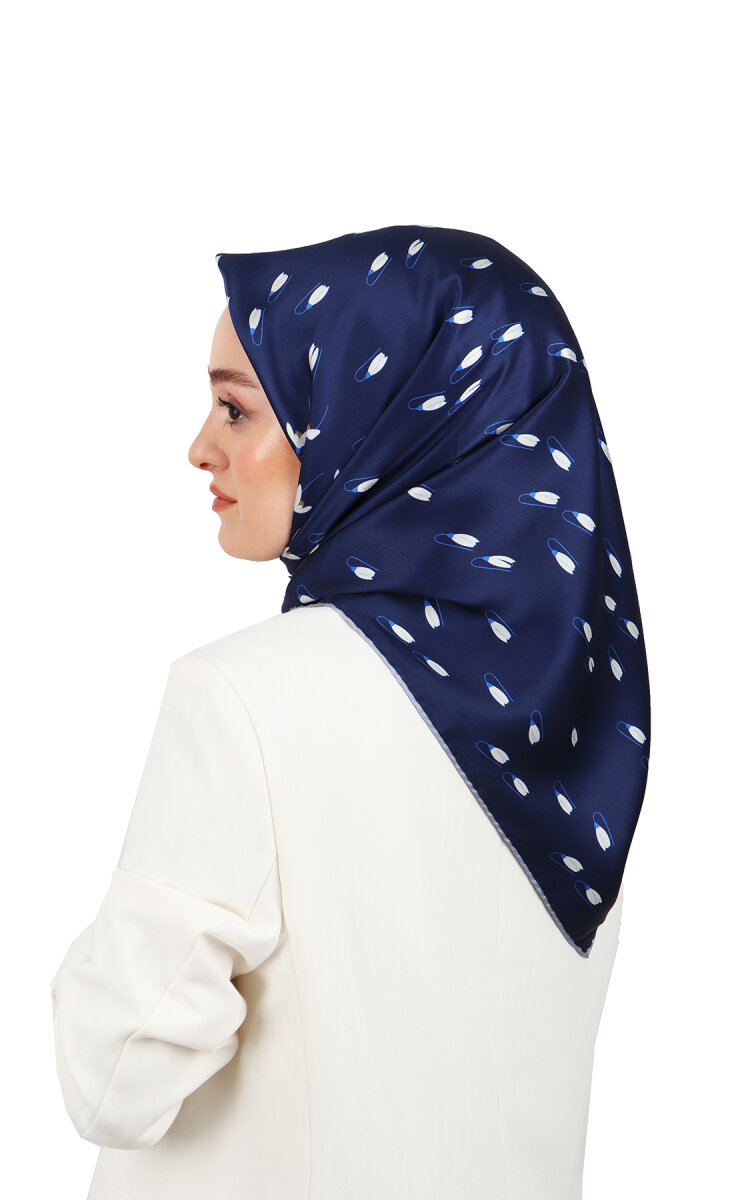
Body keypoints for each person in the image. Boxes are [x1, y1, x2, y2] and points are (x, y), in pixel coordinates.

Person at [50, 224, 651, 1200]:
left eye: (236, 408)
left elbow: (113, 1080)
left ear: (379, 417)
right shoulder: (588, 726)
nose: (201, 448)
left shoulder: (243, 699)